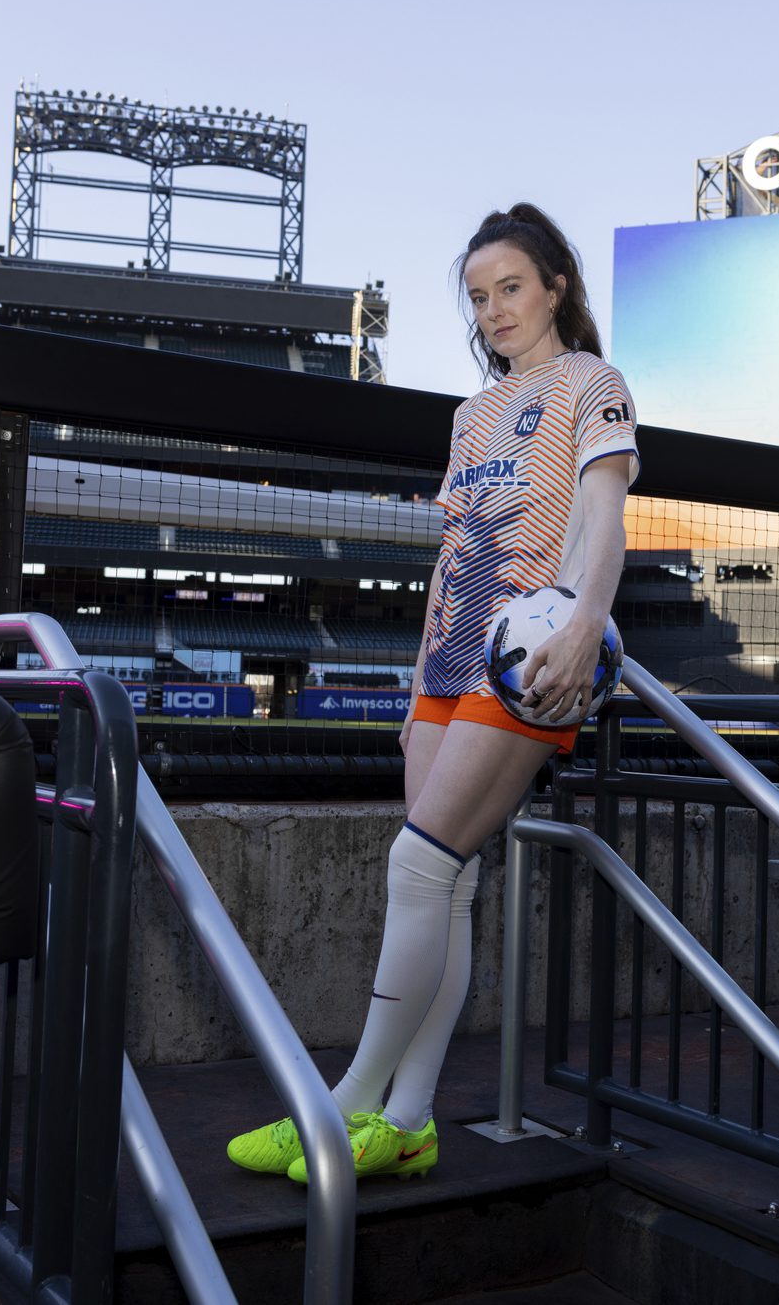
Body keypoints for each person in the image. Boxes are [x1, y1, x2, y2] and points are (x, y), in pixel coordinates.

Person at [227, 203, 639, 1184]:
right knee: (444, 883)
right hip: (446, 665)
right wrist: (418, 689)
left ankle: (340, 1108)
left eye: (511, 287)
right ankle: (407, 1122)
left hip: (528, 658)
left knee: (418, 863)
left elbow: (606, 514)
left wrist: (585, 623)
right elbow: (453, 554)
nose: (494, 309)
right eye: (478, 295)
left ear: (555, 288)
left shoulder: (592, 381)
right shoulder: (469, 415)